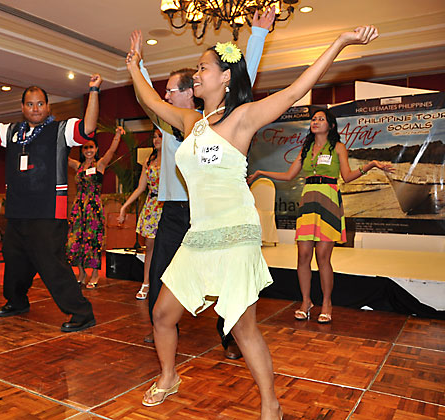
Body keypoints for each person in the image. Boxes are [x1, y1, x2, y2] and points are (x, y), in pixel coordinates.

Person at [127, 15, 378, 417]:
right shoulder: (191, 122)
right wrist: (133, 66)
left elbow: (297, 90)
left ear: (225, 77)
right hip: (198, 235)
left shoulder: (243, 118)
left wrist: (340, 41)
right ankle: (169, 376)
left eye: (203, 68)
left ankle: (270, 405)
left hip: (235, 233)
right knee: (161, 313)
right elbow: (153, 103)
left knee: (242, 327)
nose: (196, 75)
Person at [131, 9, 273, 359]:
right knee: (163, 290)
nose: (167, 95)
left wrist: (257, 36)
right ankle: (164, 342)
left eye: (173, 89)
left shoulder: (229, 117)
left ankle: (232, 340)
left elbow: (242, 78)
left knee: (236, 308)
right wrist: (136, 66)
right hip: (178, 214)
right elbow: (150, 99)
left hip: (223, 219)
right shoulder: (182, 120)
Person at [0, 74, 101, 333]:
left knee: (50, 261)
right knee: (15, 258)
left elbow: (88, 127)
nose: (35, 109)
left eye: (40, 104)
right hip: (18, 210)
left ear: (48, 106)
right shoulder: (13, 132)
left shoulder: (61, 130)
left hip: (48, 210)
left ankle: (82, 313)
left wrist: (93, 91)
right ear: (22, 108)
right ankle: (17, 301)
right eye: (30, 104)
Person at [248, 109, 393, 323]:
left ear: (330, 126)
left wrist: (371, 165)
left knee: (323, 257)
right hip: (308, 201)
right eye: (314, 119)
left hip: (329, 201)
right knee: (303, 255)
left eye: (321, 119)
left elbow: (347, 176)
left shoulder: (338, 147)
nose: (315, 121)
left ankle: (326, 303)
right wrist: (261, 172)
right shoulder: (306, 148)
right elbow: (288, 175)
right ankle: (306, 302)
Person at [67, 125, 123, 287]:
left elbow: (111, 151)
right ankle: (81, 272)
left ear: (96, 149)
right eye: (85, 147)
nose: (88, 150)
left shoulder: (100, 165)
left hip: (93, 207)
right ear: (82, 150)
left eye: (91, 147)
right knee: (75, 239)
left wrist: (117, 135)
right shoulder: (77, 166)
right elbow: (63, 157)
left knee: (92, 240)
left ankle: (95, 274)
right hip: (78, 207)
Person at [117, 128, 163, 300]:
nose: (156, 139)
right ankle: (146, 282)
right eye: (154, 136)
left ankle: (163, 285)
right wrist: (124, 206)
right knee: (149, 246)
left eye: (160, 136)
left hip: (167, 205)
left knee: (166, 247)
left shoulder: (172, 159)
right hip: (152, 205)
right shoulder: (149, 161)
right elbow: (140, 188)